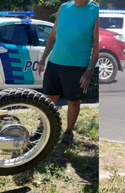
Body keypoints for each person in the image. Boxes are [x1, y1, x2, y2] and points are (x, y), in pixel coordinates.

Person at [37, 0, 99, 145]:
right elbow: (52, 36)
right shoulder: (64, 8)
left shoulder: (95, 11)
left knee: (72, 101)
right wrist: (43, 58)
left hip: (77, 66)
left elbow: (97, 44)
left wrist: (90, 70)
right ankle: (41, 128)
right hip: (55, 63)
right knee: (48, 98)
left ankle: (68, 132)